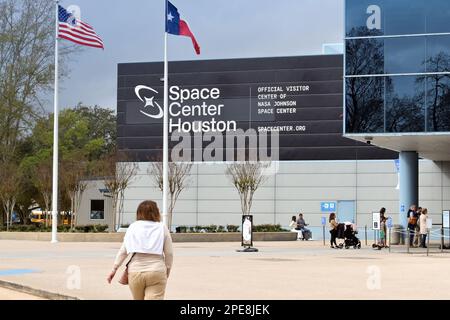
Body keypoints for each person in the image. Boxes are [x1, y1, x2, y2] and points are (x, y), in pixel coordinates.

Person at [107, 200, 173, 300]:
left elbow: (123, 251)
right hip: (157, 271)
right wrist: (167, 270)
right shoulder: (162, 227)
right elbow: (169, 253)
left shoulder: (133, 227)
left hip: (135, 272)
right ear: (156, 212)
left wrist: (114, 269)